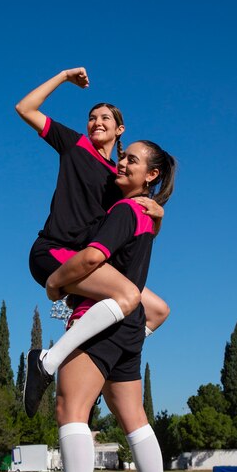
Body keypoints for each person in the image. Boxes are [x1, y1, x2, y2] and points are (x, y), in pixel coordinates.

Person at [15, 69, 170, 418]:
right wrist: (64, 77)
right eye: (91, 117)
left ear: (120, 130)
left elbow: (138, 235)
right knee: (126, 296)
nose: (96, 121)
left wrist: (158, 218)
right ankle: (46, 361)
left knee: (158, 309)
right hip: (54, 254)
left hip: (90, 264)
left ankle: (103, 362)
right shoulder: (76, 146)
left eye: (105, 118)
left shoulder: (122, 179)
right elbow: (25, 108)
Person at [41, 139, 176, 472]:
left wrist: (54, 282)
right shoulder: (148, 214)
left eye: (131, 159)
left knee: (71, 409)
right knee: (135, 421)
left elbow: (92, 257)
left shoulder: (123, 209)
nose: (121, 162)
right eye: (121, 156)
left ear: (151, 175)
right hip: (132, 330)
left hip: (99, 323)